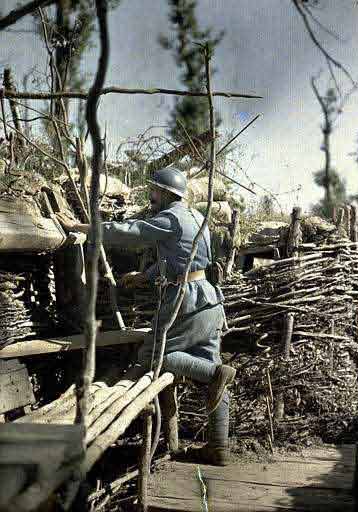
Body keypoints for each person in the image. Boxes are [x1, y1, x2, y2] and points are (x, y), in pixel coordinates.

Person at [56, 166, 236, 466]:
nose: (151, 196)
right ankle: (220, 447)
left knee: (153, 357)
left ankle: (215, 373)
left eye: (153, 190)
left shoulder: (170, 218)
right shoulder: (195, 217)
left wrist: (83, 228)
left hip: (186, 303)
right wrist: (146, 275)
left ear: (166, 193)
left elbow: (132, 232)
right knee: (212, 374)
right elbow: (185, 259)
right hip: (210, 301)